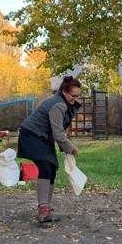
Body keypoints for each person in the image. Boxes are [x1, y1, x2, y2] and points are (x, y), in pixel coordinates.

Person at [18, 75, 81, 225]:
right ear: (64, 92)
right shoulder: (58, 105)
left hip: (43, 137)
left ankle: (45, 206)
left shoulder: (64, 103)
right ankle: (43, 210)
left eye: (78, 96)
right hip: (31, 135)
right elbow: (58, 133)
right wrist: (70, 148)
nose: (76, 99)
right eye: (73, 96)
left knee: (52, 168)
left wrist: (64, 147)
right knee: (45, 167)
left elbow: (56, 131)